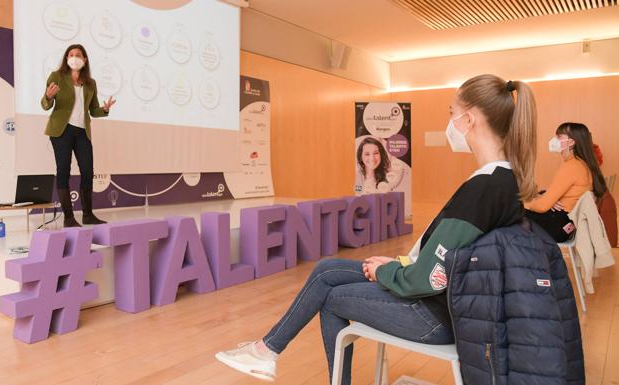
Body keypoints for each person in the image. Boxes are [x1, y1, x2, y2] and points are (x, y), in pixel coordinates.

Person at [215, 74, 537, 384]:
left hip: (436, 316)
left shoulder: (485, 187)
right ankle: (266, 349)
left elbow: (428, 277)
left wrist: (386, 273)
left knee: (331, 297)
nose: (449, 122)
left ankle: (268, 351)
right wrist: (395, 265)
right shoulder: (502, 181)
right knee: (327, 270)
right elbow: (445, 259)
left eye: (451, 113)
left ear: (469, 120)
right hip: (450, 304)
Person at [41, 44, 116, 227]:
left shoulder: (91, 83)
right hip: (61, 130)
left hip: (82, 131)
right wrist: (49, 96)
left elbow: (93, 110)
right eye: (71, 54)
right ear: (67, 58)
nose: (74, 57)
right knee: (64, 171)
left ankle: (88, 215)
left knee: (88, 172)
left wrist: (104, 109)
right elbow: (45, 105)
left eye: (78, 55)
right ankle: (68, 218)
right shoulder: (56, 76)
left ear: (85, 59)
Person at [525, 123, 608, 242]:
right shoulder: (582, 164)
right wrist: (548, 199)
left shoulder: (571, 167)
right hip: (566, 226)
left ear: (571, 142)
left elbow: (542, 206)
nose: (554, 140)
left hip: (555, 226)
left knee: (511, 214)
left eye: (559, 137)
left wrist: (525, 203)